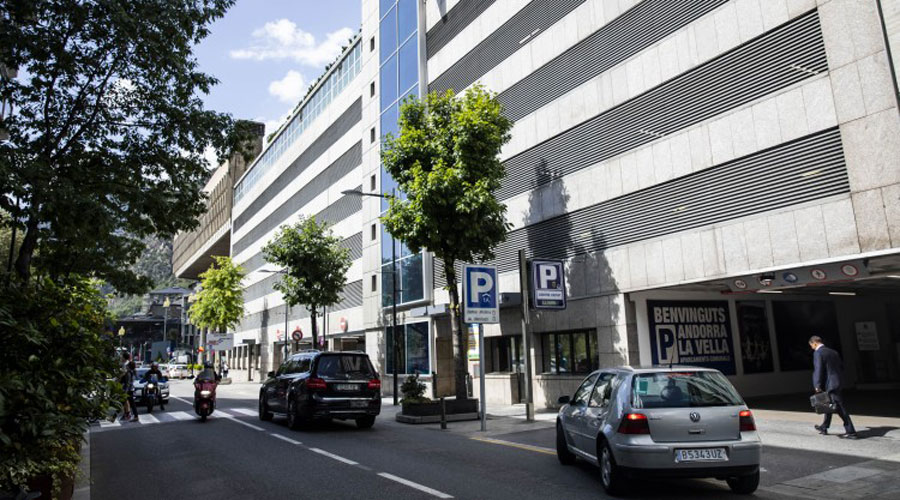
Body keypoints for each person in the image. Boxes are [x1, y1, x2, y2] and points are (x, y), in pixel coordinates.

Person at [809, 336, 856, 438]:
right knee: (828, 404)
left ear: (815, 343)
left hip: (830, 384)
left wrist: (817, 384)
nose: (812, 348)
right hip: (837, 381)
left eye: (811, 345)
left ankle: (851, 431)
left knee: (839, 406)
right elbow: (841, 367)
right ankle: (824, 426)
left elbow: (818, 369)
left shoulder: (818, 353)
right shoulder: (833, 352)